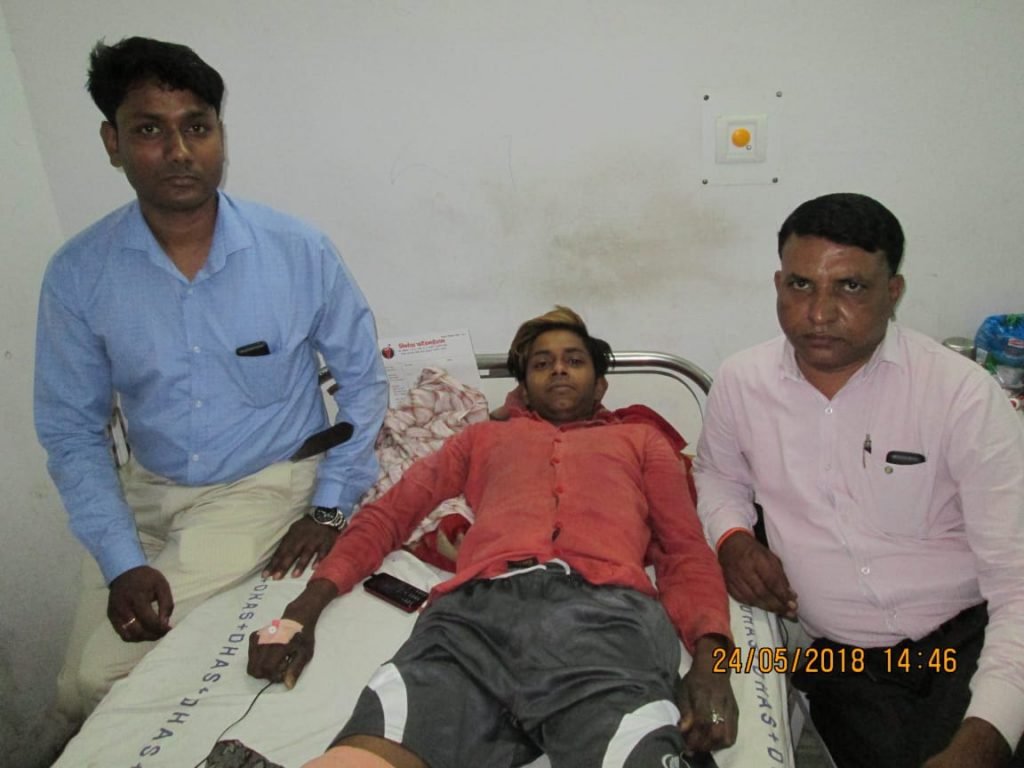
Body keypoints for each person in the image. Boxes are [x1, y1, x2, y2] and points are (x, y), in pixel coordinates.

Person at [33, 36, 388, 722]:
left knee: (94, 680)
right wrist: (119, 557)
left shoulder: (296, 251)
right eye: (149, 130)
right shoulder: (80, 273)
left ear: (219, 134)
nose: (179, 151)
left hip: (257, 486)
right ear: (112, 143)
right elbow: (71, 429)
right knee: (71, 686)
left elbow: (363, 382)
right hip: (144, 488)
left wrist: (330, 504)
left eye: (197, 127)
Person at [248, 306, 737, 768]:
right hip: (470, 624)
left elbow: (684, 550)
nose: (558, 370)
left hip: (606, 623)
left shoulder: (640, 441)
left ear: (600, 385)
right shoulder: (481, 438)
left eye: (574, 361)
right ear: (523, 387)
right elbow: (389, 516)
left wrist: (714, 664)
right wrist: (300, 613)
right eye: (542, 363)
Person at [694, 193, 1024, 768]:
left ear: (893, 292)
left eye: (850, 287)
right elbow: (718, 474)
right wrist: (733, 538)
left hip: (968, 643)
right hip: (842, 665)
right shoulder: (741, 383)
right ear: (778, 284)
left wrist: (985, 741)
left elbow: (1017, 584)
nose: (819, 313)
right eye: (800, 285)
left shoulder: (961, 395)